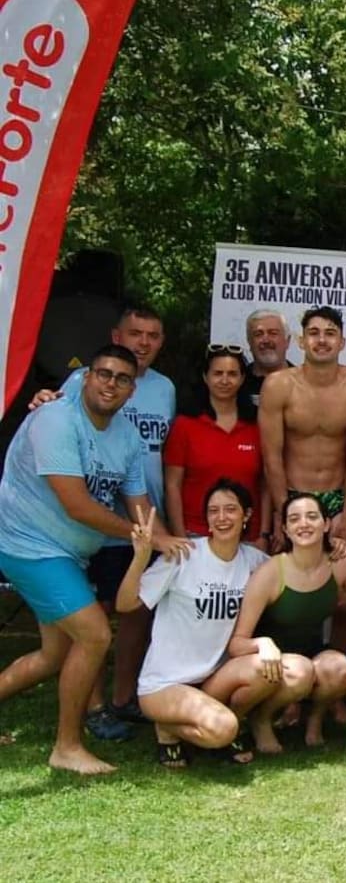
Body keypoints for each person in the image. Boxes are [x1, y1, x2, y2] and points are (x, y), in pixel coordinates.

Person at [0, 345, 189, 774]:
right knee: (95, 635)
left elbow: (137, 501)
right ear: (86, 377)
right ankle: (67, 746)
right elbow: (77, 506)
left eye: (123, 379)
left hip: (68, 556)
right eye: (104, 374)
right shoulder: (55, 419)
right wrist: (139, 535)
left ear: (131, 390)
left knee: (52, 656)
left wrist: (168, 541)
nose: (111, 384)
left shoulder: (126, 436)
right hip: (30, 546)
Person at [31, 304, 177, 734]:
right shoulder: (84, 380)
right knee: (92, 615)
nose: (143, 342)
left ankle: (122, 698)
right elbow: (55, 415)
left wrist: (158, 530)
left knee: (135, 611)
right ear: (118, 336)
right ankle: (92, 709)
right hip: (86, 525)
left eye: (152, 335)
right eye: (136, 333)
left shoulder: (165, 388)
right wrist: (42, 399)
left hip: (141, 519)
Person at [117, 482, 300, 768]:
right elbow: (125, 605)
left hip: (213, 679)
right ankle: (169, 728)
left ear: (247, 515)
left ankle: (214, 725)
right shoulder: (183, 555)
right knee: (223, 728)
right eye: (213, 511)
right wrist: (140, 558)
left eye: (230, 510)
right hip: (165, 685)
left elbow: (298, 569)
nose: (221, 517)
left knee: (277, 671)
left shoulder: (253, 560)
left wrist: (333, 548)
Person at [228, 492, 346, 753]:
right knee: (301, 670)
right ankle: (261, 719)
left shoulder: (341, 563)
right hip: (269, 665)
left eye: (312, 517)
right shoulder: (270, 573)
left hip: (309, 657)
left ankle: (313, 719)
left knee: (338, 666)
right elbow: (236, 643)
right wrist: (263, 645)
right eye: (295, 519)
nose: (304, 524)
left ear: (326, 524)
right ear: (285, 530)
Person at [259, 306, 346, 554]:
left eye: (330, 333)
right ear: (301, 341)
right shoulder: (278, 385)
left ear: (342, 342)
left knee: (342, 581)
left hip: (337, 498)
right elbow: (272, 456)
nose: (322, 340)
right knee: (290, 580)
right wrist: (282, 513)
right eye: (313, 333)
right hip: (291, 496)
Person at [164, 346, 266, 545]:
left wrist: (263, 534)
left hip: (247, 538)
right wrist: (179, 537)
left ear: (243, 378)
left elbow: (265, 485)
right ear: (205, 377)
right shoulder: (185, 425)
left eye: (232, 374)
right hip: (196, 534)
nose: (225, 381)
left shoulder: (257, 425)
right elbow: (172, 485)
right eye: (218, 373)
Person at [243, 309, 293, 410]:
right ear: (249, 342)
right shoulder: (236, 384)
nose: (265, 340)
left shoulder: (304, 383)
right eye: (258, 334)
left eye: (273, 333)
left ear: (287, 341)